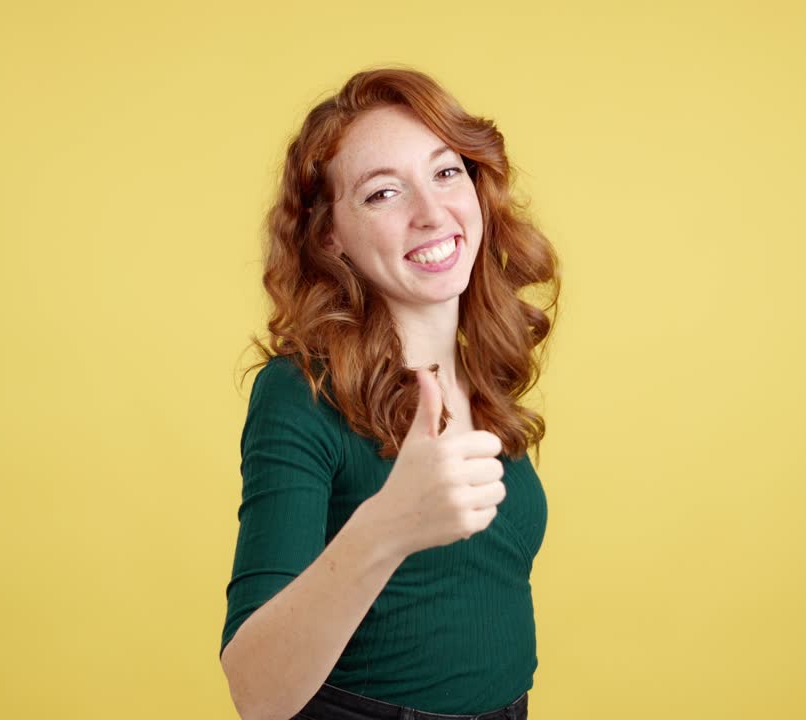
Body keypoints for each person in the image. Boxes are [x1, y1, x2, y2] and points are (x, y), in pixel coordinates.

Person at [218, 66, 561, 720]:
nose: (432, 214)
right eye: (382, 194)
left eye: (446, 172)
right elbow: (255, 693)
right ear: (329, 236)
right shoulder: (301, 394)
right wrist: (385, 528)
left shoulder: (481, 373)